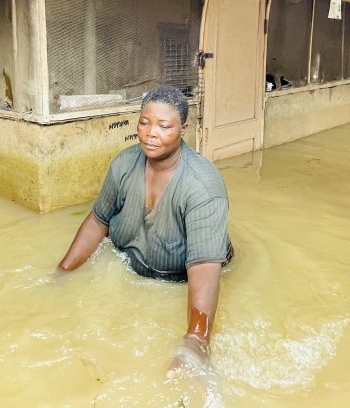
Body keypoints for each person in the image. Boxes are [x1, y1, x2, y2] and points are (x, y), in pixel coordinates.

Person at [57, 84, 234, 372]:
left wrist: (197, 338)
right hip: (132, 265)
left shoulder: (202, 187)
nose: (151, 133)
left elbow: (204, 268)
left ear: (183, 129)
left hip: (176, 278)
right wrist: (62, 274)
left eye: (164, 126)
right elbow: (98, 220)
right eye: (144, 122)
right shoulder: (124, 164)